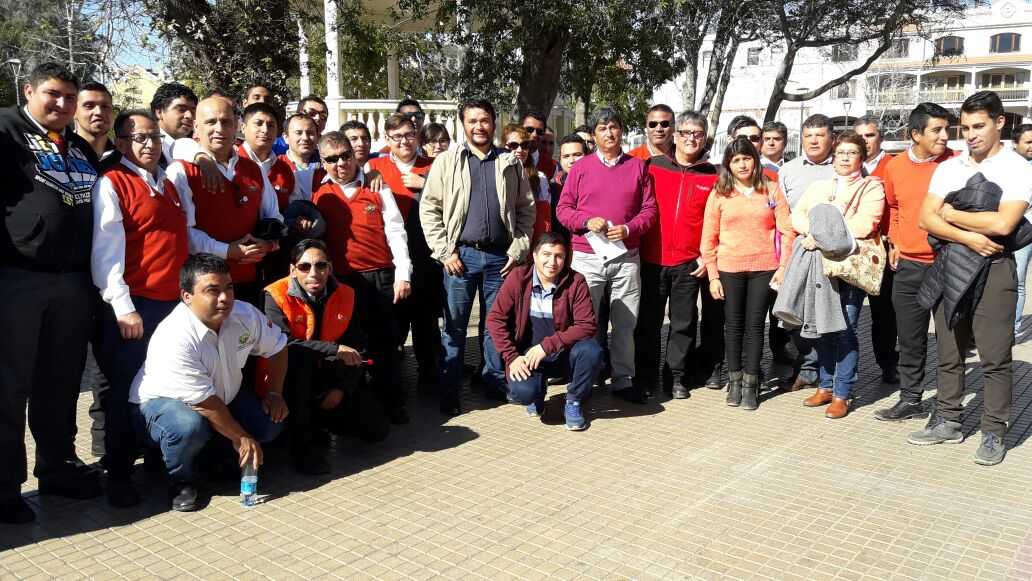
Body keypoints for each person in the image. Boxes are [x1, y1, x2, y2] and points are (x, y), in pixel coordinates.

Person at [0, 62, 102, 524]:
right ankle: (3, 486)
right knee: (9, 386)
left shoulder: (78, 146)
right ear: (29, 90)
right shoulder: (6, 130)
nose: (61, 104)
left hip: (73, 282)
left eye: (68, 97)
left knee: (60, 382)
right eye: (52, 95)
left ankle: (57, 467)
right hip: (19, 278)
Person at [907, 91, 1032, 466]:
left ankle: (993, 431)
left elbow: (1004, 223)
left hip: (996, 268)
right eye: (965, 128)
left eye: (979, 126)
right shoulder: (950, 167)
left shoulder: (1017, 168)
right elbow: (924, 219)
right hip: (952, 262)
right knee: (948, 350)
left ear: (1000, 123)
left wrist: (950, 213)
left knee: (994, 356)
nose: (970, 135)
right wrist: (969, 237)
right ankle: (948, 419)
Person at [129, 254, 288, 512]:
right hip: (166, 404)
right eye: (212, 291)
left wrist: (274, 392)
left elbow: (279, 347)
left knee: (270, 425)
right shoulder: (175, 335)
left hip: (221, 396)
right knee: (188, 428)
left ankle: (214, 460)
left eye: (229, 288)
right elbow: (203, 402)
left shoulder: (245, 314)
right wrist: (241, 437)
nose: (225, 298)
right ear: (187, 296)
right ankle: (179, 480)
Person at [90, 109, 190, 507]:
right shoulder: (112, 183)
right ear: (121, 143)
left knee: (164, 387)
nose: (148, 144)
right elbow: (106, 252)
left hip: (173, 306)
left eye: (152, 136)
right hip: (137, 307)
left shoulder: (166, 183)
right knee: (122, 392)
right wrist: (122, 306)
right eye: (137, 138)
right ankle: (117, 474)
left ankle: (159, 462)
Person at [420, 98, 536, 416]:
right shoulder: (447, 161)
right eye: (472, 121)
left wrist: (519, 248)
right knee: (454, 327)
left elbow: (526, 209)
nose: (479, 126)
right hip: (461, 257)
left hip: (501, 258)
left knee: (494, 325)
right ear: (463, 124)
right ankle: (450, 390)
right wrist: (444, 251)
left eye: (484, 120)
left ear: (494, 122)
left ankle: (493, 381)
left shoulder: (509, 162)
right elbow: (429, 207)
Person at [556, 106, 658, 404]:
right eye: (602, 128)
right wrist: (586, 222)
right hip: (588, 257)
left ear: (622, 130)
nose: (609, 133)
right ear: (594, 134)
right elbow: (563, 210)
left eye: (614, 127)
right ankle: (583, 378)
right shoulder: (581, 169)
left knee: (625, 323)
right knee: (584, 322)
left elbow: (650, 211)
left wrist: (629, 229)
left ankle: (623, 379)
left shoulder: (638, 167)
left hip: (626, 256)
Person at [312, 131, 413, 424]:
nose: (340, 163)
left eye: (345, 155)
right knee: (350, 348)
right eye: (331, 159)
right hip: (340, 283)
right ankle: (354, 407)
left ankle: (393, 403)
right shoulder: (318, 193)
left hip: (380, 278)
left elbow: (396, 231)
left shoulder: (376, 186)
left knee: (386, 344)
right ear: (323, 162)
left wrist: (403, 274)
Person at [264, 239, 389, 474]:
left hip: (329, 376)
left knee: (376, 429)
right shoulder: (275, 295)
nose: (314, 273)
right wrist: (334, 349)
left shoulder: (346, 294)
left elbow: (357, 349)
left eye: (321, 266)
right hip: (288, 378)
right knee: (298, 366)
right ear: (292, 270)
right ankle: (302, 450)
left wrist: (341, 388)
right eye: (304, 267)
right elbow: (283, 345)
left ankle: (323, 422)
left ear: (329, 268)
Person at [791, 131, 885, 419]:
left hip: (848, 266)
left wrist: (820, 237)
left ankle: (843, 392)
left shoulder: (872, 188)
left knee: (845, 329)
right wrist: (809, 231)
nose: (845, 158)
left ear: (862, 156)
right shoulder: (820, 186)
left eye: (852, 152)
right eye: (841, 152)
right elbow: (798, 214)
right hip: (820, 267)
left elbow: (864, 224)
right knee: (823, 326)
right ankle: (825, 385)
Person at [873, 103, 955, 422]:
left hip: (948, 265)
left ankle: (949, 409)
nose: (945, 136)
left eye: (946, 129)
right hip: (908, 266)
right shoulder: (894, 167)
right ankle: (911, 400)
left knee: (950, 341)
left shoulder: (955, 165)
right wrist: (895, 239)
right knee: (910, 338)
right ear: (915, 134)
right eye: (937, 130)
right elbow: (893, 207)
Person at [702, 136, 793, 410]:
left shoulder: (772, 190)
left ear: (755, 159)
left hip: (764, 268)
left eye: (747, 158)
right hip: (730, 268)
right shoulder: (719, 193)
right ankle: (735, 380)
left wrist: (783, 267)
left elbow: (787, 231)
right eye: (736, 160)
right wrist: (713, 274)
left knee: (755, 327)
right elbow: (709, 236)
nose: (742, 164)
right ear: (728, 164)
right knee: (733, 327)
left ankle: (752, 383)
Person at [635, 110, 721, 399]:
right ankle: (645, 376)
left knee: (684, 323)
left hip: (689, 263)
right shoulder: (652, 166)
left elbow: (718, 221)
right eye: (685, 133)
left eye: (697, 133)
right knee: (648, 322)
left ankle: (676, 376)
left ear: (704, 138)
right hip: (651, 259)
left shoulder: (713, 175)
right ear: (675, 135)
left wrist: (706, 255)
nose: (691, 139)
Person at [166, 96, 283, 306]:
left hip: (249, 281)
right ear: (196, 127)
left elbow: (273, 216)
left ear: (236, 125)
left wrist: (266, 244)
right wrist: (228, 250)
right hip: (205, 287)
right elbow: (184, 232)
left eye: (226, 121)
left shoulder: (253, 170)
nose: (219, 128)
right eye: (211, 122)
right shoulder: (182, 172)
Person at [486, 232, 602, 430]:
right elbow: (495, 319)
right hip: (528, 357)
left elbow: (587, 325)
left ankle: (573, 401)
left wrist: (546, 346)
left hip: (564, 355)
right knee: (522, 392)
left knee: (592, 351)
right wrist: (512, 357)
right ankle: (536, 393)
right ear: (534, 255)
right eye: (546, 254)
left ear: (566, 258)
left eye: (559, 256)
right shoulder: (518, 278)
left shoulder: (576, 281)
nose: (552, 262)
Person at [367, 113, 442, 393]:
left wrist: (427, 185)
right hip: (391, 261)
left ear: (418, 135)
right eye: (397, 136)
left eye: (409, 134)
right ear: (387, 139)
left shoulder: (434, 166)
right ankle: (391, 385)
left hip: (426, 257)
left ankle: (429, 376)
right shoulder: (373, 167)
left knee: (425, 322)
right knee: (392, 324)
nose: (404, 141)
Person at [777, 114, 836, 391]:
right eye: (808, 135)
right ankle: (808, 365)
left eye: (820, 135)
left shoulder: (842, 167)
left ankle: (828, 373)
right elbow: (782, 212)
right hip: (798, 248)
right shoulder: (788, 170)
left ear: (831, 139)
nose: (813, 141)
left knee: (826, 314)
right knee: (792, 312)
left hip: (833, 251)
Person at [854, 116, 900, 385]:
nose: (864, 141)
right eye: (860, 136)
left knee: (884, 313)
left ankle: (887, 363)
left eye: (869, 135)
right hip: (852, 252)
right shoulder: (848, 165)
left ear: (879, 137)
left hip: (882, 250)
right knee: (848, 313)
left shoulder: (892, 166)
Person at [503, 123, 551, 239]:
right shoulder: (493, 173)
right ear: (504, 147)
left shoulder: (540, 178)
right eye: (514, 145)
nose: (520, 150)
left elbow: (544, 218)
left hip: (530, 238)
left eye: (524, 145)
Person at [1011, 123, 1032, 336]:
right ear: (1015, 143)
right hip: (1013, 230)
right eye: (1028, 142)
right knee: (1013, 279)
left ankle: (1013, 327)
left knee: (1019, 280)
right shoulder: (1008, 166)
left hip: (1027, 231)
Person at [150, 82, 198, 168]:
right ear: (159, 112)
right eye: (181, 109)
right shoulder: (142, 147)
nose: (189, 116)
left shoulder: (199, 147)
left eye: (193, 111)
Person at [550, 133, 588, 241]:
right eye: (566, 156)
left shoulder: (598, 185)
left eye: (577, 154)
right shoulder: (553, 188)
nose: (572, 161)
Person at [75, 81, 119, 169]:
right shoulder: (59, 154)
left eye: (105, 106)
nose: (99, 112)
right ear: (74, 112)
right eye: (89, 106)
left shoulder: (124, 159)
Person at [520, 111, 557, 180]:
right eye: (529, 129)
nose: (534, 135)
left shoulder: (552, 167)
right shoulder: (506, 159)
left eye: (539, 132)